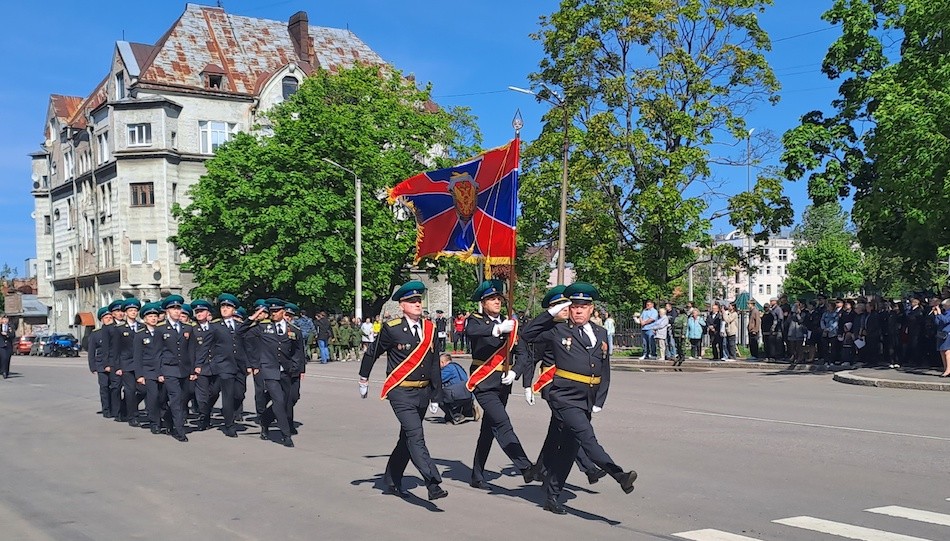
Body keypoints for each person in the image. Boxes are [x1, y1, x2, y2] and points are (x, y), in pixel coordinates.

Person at [521, 282, 638, 515]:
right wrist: (551, 313)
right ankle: (619, 475)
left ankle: (552, 497)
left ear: (591, 309)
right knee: (588, 440)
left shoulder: (600, 333)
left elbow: (605, 369)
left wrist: (599, 400)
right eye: (574, 306)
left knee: (568, 448)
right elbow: (528, 334)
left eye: (583, 307)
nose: (578, 311)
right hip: (564, 397)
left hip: (587, 398)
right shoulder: (559, 331)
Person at [358, 281, 448, 501]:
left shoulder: (430, 328)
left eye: (418, 300)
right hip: (401, 392)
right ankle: (432, 483)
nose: (417, 304)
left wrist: (436, 394)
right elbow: (372, 353)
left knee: (406, 439)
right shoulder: (392, 328)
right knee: (416, 435)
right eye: (411, 301)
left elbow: (434, 363)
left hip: (423, 393)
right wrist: (364, 378)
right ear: (402, 305)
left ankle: (391, 478)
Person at [464, 280, 536, 490]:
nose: (496, 302)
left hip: (503, 383)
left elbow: (523, 353)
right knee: (502, 422)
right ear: (483, 303)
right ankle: (525, 467)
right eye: (491, 299)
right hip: (483, 382)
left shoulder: (509, 322)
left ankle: (477, 474)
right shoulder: (476, 321)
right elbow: (472, 333)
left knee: (489, 428)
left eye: (499, 299)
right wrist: (496, 330)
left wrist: (515, 371)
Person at [240, 299, 304, 447]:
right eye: (271, 311)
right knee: (278, 401)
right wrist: (253, 318)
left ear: (283, 312)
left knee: (287, 400)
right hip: (269, 370)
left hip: (286, 372)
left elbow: (298, 351)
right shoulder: (263, 327)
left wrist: (296, 368)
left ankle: (265, 420)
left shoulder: (293, 330)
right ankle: (286, 434)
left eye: (276, 311)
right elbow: (241, 332)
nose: (273, 314)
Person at [156, 295, 195, 442]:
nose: (177, 311)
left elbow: (191, 351)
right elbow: (157, 353)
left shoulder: (188, 328)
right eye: (173, 308)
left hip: (184, 369)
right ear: (167, 311)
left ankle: (167, 418)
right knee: (176, 398)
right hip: (169, 368)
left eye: (179, 308)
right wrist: (159, 372)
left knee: (184, 398)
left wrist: (192, 370)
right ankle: (179, 430)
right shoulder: (160, 329)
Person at [132, 302, 164, 435]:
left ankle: (163, 418)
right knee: (153, 396)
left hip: (163, 369)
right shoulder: (140, 335)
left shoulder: (163, 332)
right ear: (145, 319)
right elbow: (137, 356)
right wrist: (139, 375)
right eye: (150, 316)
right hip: (148, 370)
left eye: (155, 316)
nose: (153, 318)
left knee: (163, 397)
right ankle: (154, 423)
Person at [87, 307, 114, 417]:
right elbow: (91, 351)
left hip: (114, 363)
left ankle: (116, 408)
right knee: (104, 387)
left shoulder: (116, 331)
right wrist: (92, 367)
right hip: (101, 365)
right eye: (106, 318)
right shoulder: (96, 334)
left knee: (115, 387)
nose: (108, 319)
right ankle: (106, 409)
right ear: (101, 320)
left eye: (110, 317)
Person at [439, 353, 477, 424]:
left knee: (438, 396)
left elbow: (438, 380)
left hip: (457, 395)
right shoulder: (459, 367)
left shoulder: (447, 369)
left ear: (442, 362)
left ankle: (454, 415)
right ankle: (468, 411)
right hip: (468, 394)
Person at [931, 299, 950, 377]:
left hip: (948, 333)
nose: (943, 307)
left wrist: (939, 313)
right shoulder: (944, 313)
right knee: (942, 351)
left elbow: (946, 321)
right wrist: (936, 315)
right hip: (941, 333)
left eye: (945, 305)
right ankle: (945, 368)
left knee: (947, 352)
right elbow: (938, 322)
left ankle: (948, 369)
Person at [0, 313, 14, 379]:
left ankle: (6, 371)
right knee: (4, 358)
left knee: (7, 359)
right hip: (1, 345)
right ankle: (3, 372)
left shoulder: (11, 326)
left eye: (6, 319)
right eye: (4, 319)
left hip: (8, 345)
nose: (5, 320)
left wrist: (7, 334)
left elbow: (13, 335)